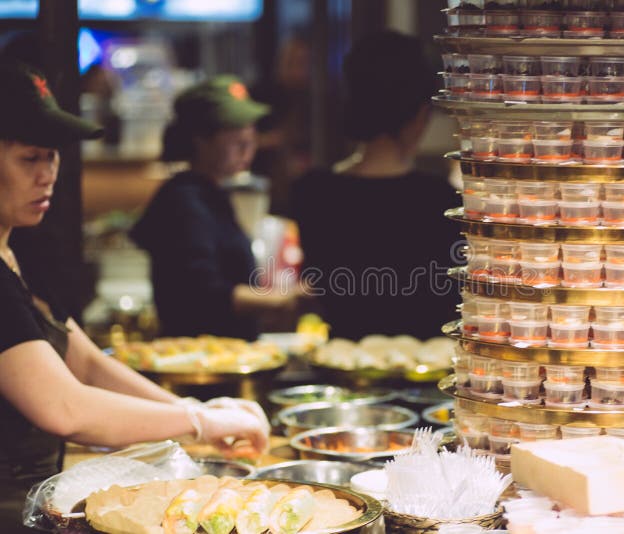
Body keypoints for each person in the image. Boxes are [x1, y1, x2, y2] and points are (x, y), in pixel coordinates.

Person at [0, 62, 270, 532]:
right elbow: (65, 408)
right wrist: (196, 421)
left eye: (53, 155)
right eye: (30, 158)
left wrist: (197, 412)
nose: (48, 175)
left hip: (39, 499)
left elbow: (85, 363)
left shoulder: (19, 251)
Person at [289, 31, 459, 340]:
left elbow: (320, 287)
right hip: (426, 371)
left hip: (342, 366)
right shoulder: (440, 200)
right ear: (420, 115)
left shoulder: (312, 192)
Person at [130, 75, 297, 341]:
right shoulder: (185, 201)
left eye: (251, 134)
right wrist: (281, 299)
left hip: (225, 357)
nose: (247, 145)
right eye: (235, 135)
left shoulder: (210, 193)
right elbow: (204, 294)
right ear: (200, 139)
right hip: (201, 362)